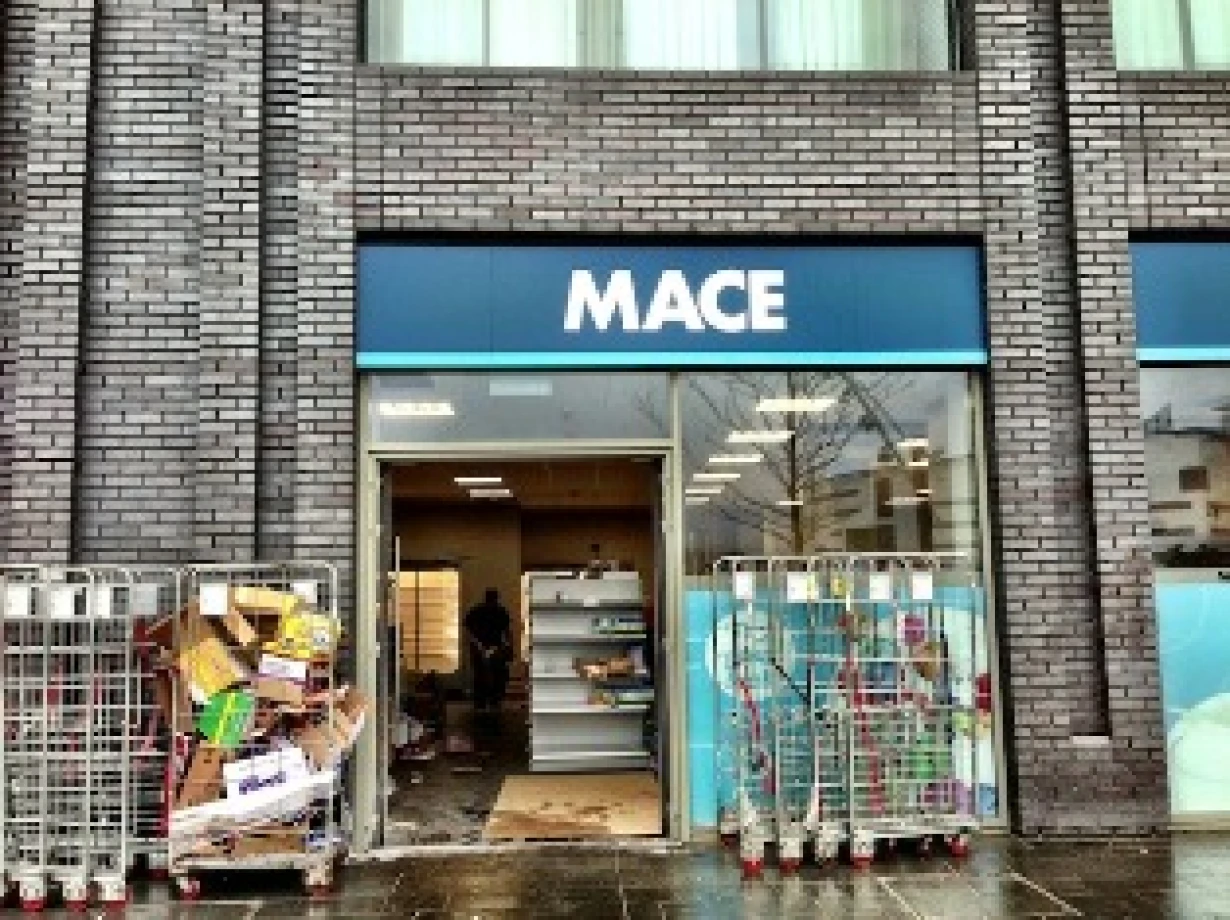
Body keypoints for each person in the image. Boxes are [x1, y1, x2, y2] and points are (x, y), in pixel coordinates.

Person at [465, 588, 511, 713]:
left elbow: (469, 631)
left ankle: (485, 702)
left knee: (485, 675)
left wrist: (479, 645)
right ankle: (490, 701)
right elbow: (506, 633)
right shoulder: (499, 611)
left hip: (487, 647)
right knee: (491, 675)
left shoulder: (478, 611)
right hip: (489, 647)